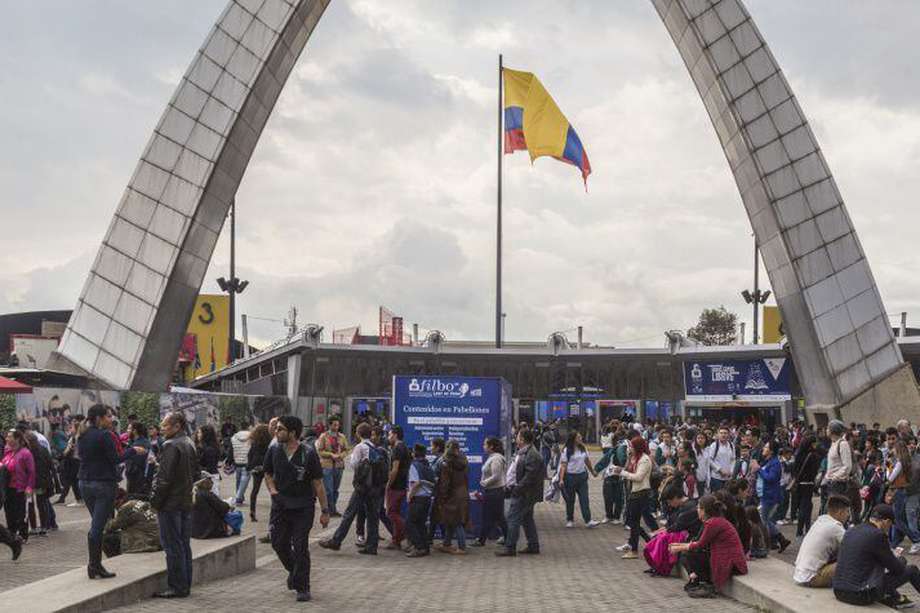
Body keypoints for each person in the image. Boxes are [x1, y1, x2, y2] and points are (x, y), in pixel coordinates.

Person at [264, 415, 329, 603]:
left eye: (280, 429)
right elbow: (268, 473)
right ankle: (294, 571)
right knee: (278, 543)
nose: (276, 432)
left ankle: (303, 587)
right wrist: (273, 490)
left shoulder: (308, 453)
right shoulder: (274, 449)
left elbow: (318, 484)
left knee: (300, 545)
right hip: (280, 506)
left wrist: (325, 512)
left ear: (292, 433)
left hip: (303, 507)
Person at [78, 405, 141, 581]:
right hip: (102, 484)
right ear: (98, 418)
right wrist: (133, 450)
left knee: (97, 524)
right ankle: (95, 566)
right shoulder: (104, 435)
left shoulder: (82, 433)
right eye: (108, 416)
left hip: (85, 482)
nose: (111, 419)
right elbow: (115, 458)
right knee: (98, 526)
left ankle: (95, 565)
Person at [149, 411, 197, 599]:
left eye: (165, 425)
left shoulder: (171, 445)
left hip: (170, 503)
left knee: (172, 545)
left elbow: (164, 479)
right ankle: (185, 584)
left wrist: (155, 502)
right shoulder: (189, 443)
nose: (162, 429)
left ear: (177, 426)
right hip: (184, 501)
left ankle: (177, 586)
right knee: (183, 544)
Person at [833, 504, 920, 608]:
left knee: (882, 564)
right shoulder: (877, 535)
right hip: (859, 594)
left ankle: (895, 598)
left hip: (838, 590)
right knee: (912, 570)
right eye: (890, 525)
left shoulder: (852, 530)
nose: (889, 528)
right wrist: (900, 559)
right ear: (886, 521)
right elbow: (897, 569)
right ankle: (893, 597)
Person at [319, 422, 385, 555]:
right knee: (373, 516)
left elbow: (354, 464)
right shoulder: (375, 447)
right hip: (374, 487)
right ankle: (372, 546)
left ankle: (336, 541)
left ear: (358, 434)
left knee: (349, 514)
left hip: (362, 487)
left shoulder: (360, 447)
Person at [670, 494, 748, 598]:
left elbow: (699, 545)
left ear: (704, 510)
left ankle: (705, 584)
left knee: (692, 554)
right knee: (690, 553)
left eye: (698, 507)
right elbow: (699, 542)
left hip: (733, 564)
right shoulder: (715, 520)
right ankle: (698, 580)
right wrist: (678, 545)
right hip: (731, 561)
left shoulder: (713, 523)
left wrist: (678, 548)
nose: (696, 510)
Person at [496, 429, 543, 557]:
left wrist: (517, 489)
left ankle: (510, 547)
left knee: (512, 518)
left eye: (517, 437)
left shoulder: (532, 454)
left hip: (524, 493)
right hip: (523, 492)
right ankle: (533, 545)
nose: (515, 438)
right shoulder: (524, 452)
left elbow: (530, 477)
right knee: (527, 519)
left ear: (522, 439)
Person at [793, 494, 849, 588]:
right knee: (850, 560)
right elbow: (853, 545)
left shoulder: (820, 520)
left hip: (799, 574)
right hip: (812, 578)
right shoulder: (835, 527)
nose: (848, 515)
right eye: (847, 512)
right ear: (840, 512)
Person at [753, 440, 791, 553]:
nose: (763, 449)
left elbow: (771, 478)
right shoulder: (768, 461)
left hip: (770, 496)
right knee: (765, 519)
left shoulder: (775, 463)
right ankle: (780, 540)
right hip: (765, 494)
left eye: (766, 447)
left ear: (771, 451)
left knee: (763, 520)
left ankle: (768, 543)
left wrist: (758, 468)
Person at [434, 440, 471, 555]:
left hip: (452, 495)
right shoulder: (463, 460)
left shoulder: (447, 463)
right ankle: (446, 543)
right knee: (451, 520)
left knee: (456, 522)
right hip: (463, 492)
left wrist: (442, 496)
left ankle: (462, 547)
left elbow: (445, 483)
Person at [620, 435, 653, 560]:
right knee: (631, 521)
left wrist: (622, 473)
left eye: (632, 447)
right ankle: (649, 541)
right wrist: (628, 460)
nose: (630, 449)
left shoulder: (644, 460)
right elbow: (628, 469)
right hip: (634, 493)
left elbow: (638, 477)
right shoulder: (635, 458)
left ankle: (635, 549)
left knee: (633, 522)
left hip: (640, 493)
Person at [102, 489, 161, 558]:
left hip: (148, 542)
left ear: (121, 499)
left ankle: (119, 560)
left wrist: (105, 514)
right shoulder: (139, 502)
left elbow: (110, 527)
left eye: (115, 504)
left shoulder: (127, 507)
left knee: (107, 538)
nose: (115, 507)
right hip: (157, 538)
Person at [558, 431, 600, 529]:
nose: (581, 439)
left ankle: (588, 520)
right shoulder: (566, 450)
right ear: (573, 439)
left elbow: (587, 461)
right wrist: (561, 479)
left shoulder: (583, 448)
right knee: (570, 500)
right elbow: (563, 465)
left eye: (581, 437)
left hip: (582, 477)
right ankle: (570, 519)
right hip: (570, 478)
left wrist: (592, 471)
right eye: (579, 437)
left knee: (584, 499)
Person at [2, 428, 34, 545]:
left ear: (17, 439)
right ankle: (11, 535)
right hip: (8, 489)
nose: (7, 439)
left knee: (21, 513)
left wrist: (29, 487)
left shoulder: (25, 453)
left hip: (20, 488)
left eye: (10, 437)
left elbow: (31, 472)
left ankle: (23, 535)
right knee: (9, 512)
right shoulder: (8, 452)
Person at [475, 437, 507, 546]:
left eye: (485, 444)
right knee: (493, 516)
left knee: (495, 517)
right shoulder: (492, 457)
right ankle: (482, 539)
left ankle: (508, 538)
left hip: (494, 492)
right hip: (493, 492)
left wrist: (484, 482)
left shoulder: (496, 459)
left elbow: (496, 476)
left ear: (491, 446)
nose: (483, 446)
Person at [405, 443, 435, 558]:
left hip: (418, 497)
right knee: (421, 524)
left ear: (414, 453)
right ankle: (425, 547)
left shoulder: (414, 465)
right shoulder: (427, 465)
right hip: (427, 498)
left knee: (410, 523)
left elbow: (416, 482)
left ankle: (419, 547)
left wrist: (410, 495)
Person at [315, 417, 348, 517]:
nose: (336, 427)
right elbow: (320, 451)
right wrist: (331, 455)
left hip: (338, 465)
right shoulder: (323, 436)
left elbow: (346, 449)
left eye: (338, 425)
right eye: (334, 425)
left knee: (335, 489)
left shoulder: (342, 437)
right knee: (328, 489)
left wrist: (341, 455)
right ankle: (330, 510)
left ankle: (333, 508)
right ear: (330, 425)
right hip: (327, 465)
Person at [385, 425, 410, 551]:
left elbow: (395, 469)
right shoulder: (404, 447)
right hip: (402, 484)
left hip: (396, 486)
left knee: (391, 513)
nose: (388, 437)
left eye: (389, 434)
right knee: (396, 512)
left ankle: (408, 533)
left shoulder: (397, 448)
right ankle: (396, 541)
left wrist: (389, 483)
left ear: (395, 434)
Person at [793, 436, 822, 537]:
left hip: (799, 484)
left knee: (804, 505)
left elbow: (795, 469)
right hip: (808, 484)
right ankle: (803, 529)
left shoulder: (798, 454)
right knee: (805, 506)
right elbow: (815, 471)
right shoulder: (814, 456)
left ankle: (802, 529)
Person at [246, 424, 271, 523]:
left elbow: (250, 455)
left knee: (254, 491)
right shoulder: (269, 443)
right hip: (266, 467)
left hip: (256, 467)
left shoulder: (254, 443)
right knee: (272, 489)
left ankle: (252, 511)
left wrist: (249, 467)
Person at [124, 422, 150, 497]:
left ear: (134, 431)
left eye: (129, 428)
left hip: (138, 480)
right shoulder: (132, 442)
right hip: (132, 478)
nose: (127, 431)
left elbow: (138, 462)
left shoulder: (142, 443)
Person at [195, 425, 221, 497]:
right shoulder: (204, 447)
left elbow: (210, 467)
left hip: (208, 479)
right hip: (208, 478)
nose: (198, 435)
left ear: (205, 434)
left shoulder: (209, 450)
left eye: (200, 433)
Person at [707, 427, 735, 492]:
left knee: (727, 497)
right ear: (718, 434)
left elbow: (733, 459)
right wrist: (720, 470)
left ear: (728, 434)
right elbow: (710, 460)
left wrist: (731, 470)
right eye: (721, 433)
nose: (723, 435)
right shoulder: (714, 445)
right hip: (716, 477)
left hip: (728, 477)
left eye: (725, 433)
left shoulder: (731, 445)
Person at [230, 427, 250, 506]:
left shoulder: (234, 437)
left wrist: (230, 461)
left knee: (238, 480)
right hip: (247, 462)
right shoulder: (251, 436)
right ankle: (238, 498)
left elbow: (231, 450)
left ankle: (240, 498)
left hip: (237, 461)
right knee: (244, 480)